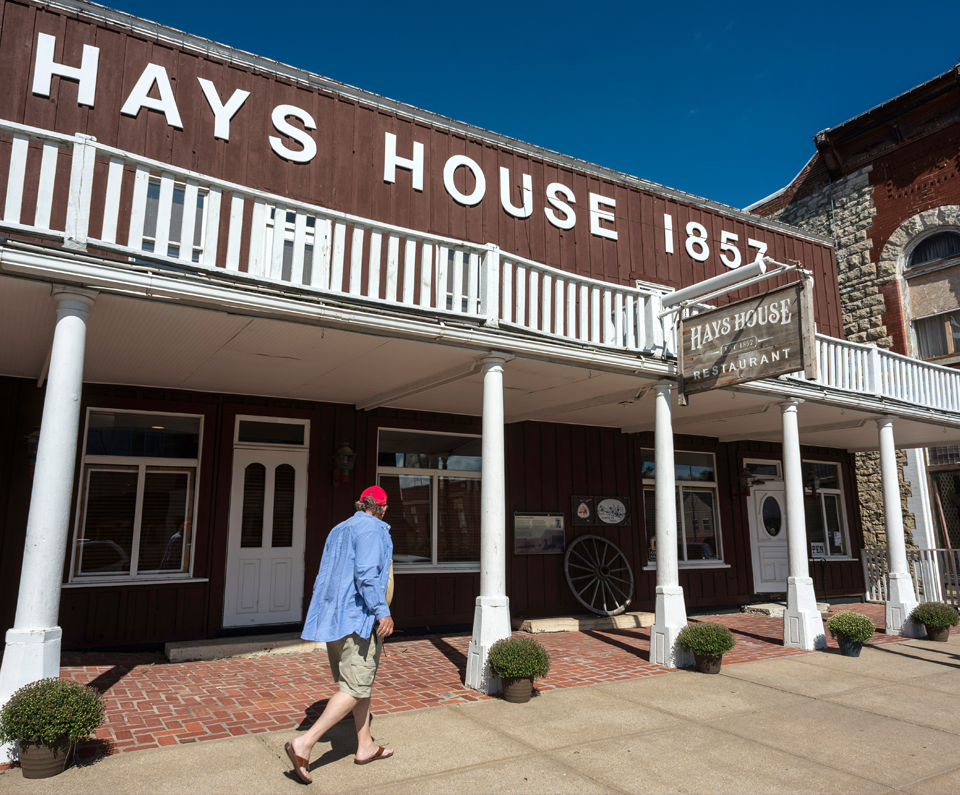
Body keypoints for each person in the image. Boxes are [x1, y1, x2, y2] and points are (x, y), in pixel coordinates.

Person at [284, 486, 395, 784]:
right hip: (359, 619)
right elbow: (367, 575)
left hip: (335, 620)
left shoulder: (339, 528)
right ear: (382, 508)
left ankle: (365, 745)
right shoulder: (373, 529)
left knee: (358, 683)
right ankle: (304, 743)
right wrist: (381, 611)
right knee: (356, 686)